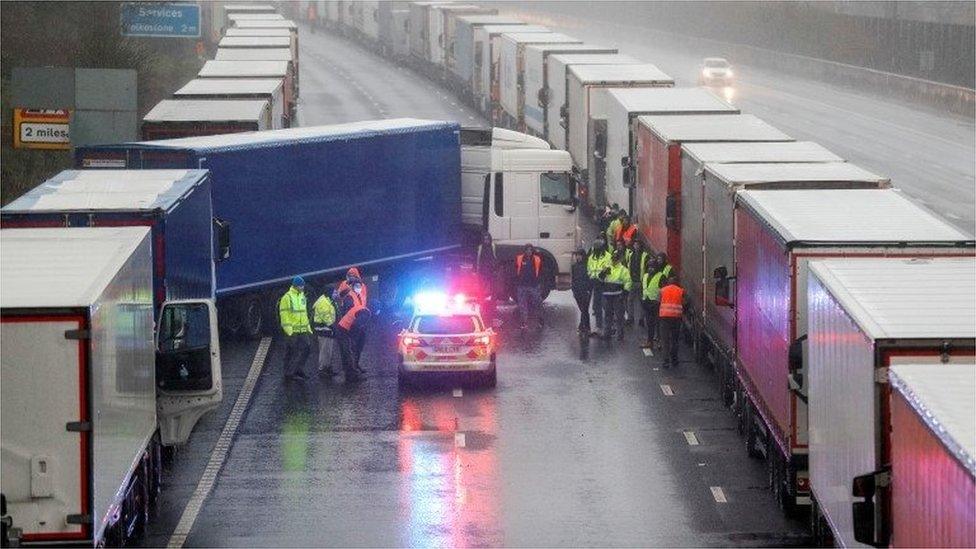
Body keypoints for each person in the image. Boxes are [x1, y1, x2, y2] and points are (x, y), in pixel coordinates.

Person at [279, 276, 313, 380]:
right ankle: (289, 373)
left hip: (302, 329)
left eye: (303, 285)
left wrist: (308, 327)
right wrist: (289, 330)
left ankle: (298, 369)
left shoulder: (302, 296)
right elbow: (284, 315)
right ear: (295, 286)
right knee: (291, 351)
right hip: (292, 330)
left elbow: (303, 313)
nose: (302, 287)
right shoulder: (287, 297)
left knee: (307, 348)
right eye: (300, 286)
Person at [335, 280, 370, 382]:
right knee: (349, 352)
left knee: (351, 350)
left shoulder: (361, 300)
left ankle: (352, 373)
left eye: (360, 285)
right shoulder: (350, 298)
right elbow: (355, 325)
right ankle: (352, 375)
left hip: (349, 326)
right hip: (346, 328)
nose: (359, 287)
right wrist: (353, 337)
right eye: (357, 286)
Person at [599, 250, 632, 341]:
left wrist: (625, 293)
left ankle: (620, 335)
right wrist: (602, 274)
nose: (614, 260)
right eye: (613, 258)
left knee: (619, 316)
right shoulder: (607, 268)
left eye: (616, 259)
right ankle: (607, 334)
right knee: (607, 315)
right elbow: (600, 280)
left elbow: (628, 281)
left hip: (618, 296)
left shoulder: (623, 270)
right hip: (607, 295)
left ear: (619, 259)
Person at [640, 255, 667, 351]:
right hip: (647, 303)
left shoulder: (661, 277)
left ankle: (659, 342)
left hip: (657, 304)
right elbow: (643, 288)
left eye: (653, 267)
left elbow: (664, 291)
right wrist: (642, 300)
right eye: (649, 267)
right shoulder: (645, 276)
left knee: (659, 325)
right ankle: (649, 341)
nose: (651, 269)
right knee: (649, 324)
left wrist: (660, 302)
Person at [586, 238, 612, 336]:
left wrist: (601, 277)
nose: (596, 249)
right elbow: (589, 269)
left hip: (605, 284)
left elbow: (608, 270)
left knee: (606, 306)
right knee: (597, 306)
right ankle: (598, 326)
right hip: (595, 284)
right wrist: (591, 278)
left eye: (598, 248)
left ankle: (608, 327)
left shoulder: (608, 257)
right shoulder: (591, 257)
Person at [515, 244, 543, 329]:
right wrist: (517, 281)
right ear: (525, 251)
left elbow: (541, 271)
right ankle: (524, 322)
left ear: (532, 251)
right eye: (527, 250)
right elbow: (515, 270)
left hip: (534, 285)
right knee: (522, 305)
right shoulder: (519, 258)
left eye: (530, 250)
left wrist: (539, 283)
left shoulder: (537, 259)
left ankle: (540, 320)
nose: (529, 251)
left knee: (537, 303)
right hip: (522, 285)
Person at [659, 274, 684, 368]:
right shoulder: (680, 291)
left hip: (664, 318)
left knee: (665, 340)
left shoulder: (662, 290)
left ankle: (666, 360)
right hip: (676, 318)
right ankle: (674, 358)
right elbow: (686, 302)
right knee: (674, 339)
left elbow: (658, 301)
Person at [312, 287, 337, 378]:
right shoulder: (323, 302)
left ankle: (328, 368)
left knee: (328, 350)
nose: (336, 294)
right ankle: (322, 369)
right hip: (324, 330)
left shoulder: (327, 301)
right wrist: (333, 327)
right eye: (334, 292)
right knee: (324, 350)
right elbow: (326, 317)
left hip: (327, 330)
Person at [475, 231, 497, 322]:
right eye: (485, 239)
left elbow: (495, 257)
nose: (486, 240)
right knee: (481, 289)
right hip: (483, 272)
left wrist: (495, 269)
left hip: (491, 271)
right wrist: (477, 270)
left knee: (493, 289)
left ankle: (493, 305)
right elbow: (478, 259)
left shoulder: (493, 246)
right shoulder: (480, 247)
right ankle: (481, 305)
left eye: (488, 238)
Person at [570, 250, 592, 334]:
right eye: (577, 255)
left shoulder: (588, 266)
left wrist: (589, 289)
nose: (578, 257)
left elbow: (589, 278)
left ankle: (583, 326)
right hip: (577, 291)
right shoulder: (574, 266)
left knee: (584, 308)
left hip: (585, 290)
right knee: (583, 309)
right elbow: (574, 279)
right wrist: (574, 289)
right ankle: (586, 326)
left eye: (579, 255)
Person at [626, 239, 644, 326]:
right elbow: (628, 266)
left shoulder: (644, 256)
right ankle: (630, 318)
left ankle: (641, 319)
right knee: (630, 300)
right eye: (635, 245)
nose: (636, 246)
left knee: (641, 300)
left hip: (640, 281)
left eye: (638, 245)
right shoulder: (630, 255)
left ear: (640, 246)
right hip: (632, 280)